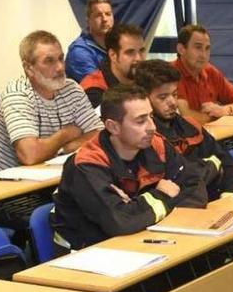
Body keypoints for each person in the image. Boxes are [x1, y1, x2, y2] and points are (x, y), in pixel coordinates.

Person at [52, 85, 207, 250]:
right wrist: (162, 194)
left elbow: (196, 188)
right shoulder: (86, 164)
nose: (152, 127)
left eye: (151, 117)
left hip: (146, 240)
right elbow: (121, 222)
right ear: (113, 127)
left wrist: (135, 207)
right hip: (88, 255)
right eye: (141, 121)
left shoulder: (156, 144)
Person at [0, 30, 103, 173]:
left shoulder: (72, 89)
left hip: (56, 178)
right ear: (29, 68)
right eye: (49, 61)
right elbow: (30, 155)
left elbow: (100, 135)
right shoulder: (17, 94)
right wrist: (65, 134)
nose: (60, 67)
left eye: (61, 58)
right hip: (12, 188)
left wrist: (64, 148)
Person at [133, 59, 233, 197]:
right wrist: (212, 165)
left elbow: (228, 164)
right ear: (144, 98)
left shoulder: (192, 126)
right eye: (163, 97)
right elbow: (183, 181)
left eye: (175, 94)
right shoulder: (145, 139)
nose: (172, 102)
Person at [172, 24, 233, 123]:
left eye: (207, 48)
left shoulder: (210, 71)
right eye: (198, 47)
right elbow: (185, 118)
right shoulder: (170, 74)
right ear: (181, 49)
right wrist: (216, 117)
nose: (203, 55)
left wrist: (225, 110)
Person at [81, 23, 148, 108]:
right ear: (113, 55)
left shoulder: (146, 80)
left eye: (141, 51)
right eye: (130, 52)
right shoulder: (94, 91)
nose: (138, 58)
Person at [66, 0, 115, 82]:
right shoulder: (79, 51)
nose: (104, 19)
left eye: (108, 14)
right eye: (98, 15)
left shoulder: (117, 44)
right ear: (88, 20)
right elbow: (97, 85)